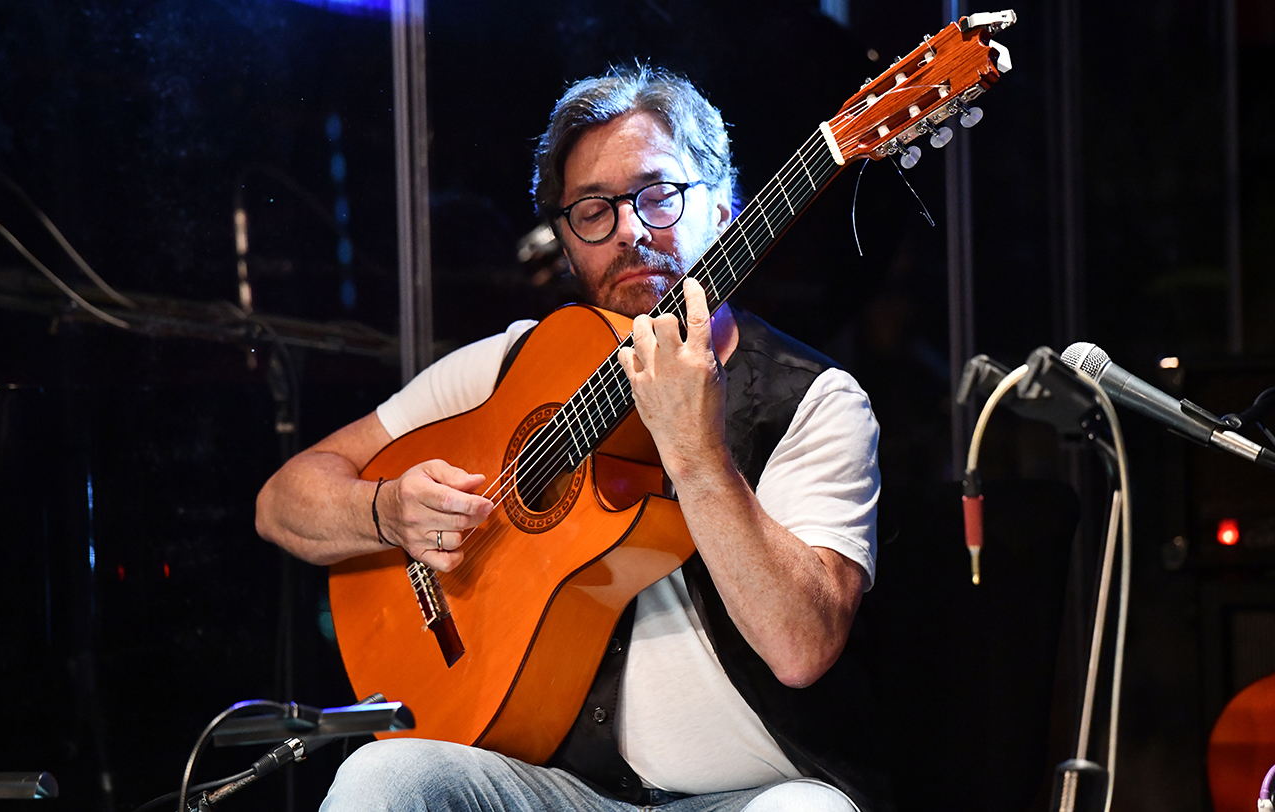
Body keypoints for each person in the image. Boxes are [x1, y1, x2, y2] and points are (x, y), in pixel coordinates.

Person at [255, 64, 883, 812]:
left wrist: (695, 454)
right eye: (593, 210)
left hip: (750, 797)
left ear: (722, 208)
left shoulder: (815, 400)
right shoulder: (513, 362)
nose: (628, 230)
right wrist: (386, 511)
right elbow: (282, 501)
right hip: (557, 791)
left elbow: (802, 649)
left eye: (657, 194)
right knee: (379, 778)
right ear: (566, 240)